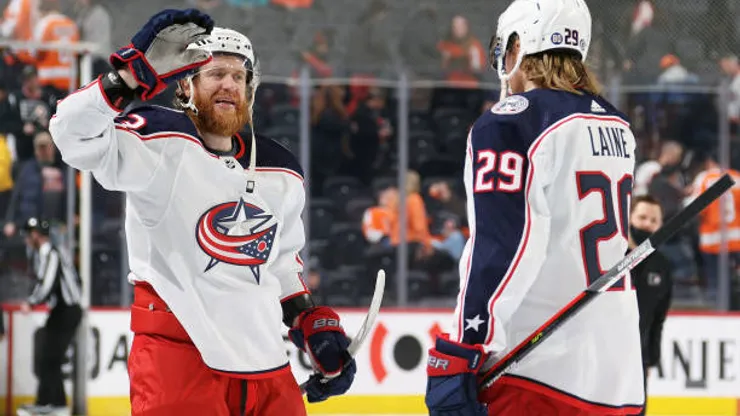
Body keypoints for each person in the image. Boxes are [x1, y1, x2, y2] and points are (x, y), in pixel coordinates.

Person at [49, 9, 355, 416]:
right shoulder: (156, 138)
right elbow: (71, 135)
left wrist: (307, 320)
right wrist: (126, 81)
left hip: (265, 363)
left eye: (238, 76)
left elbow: (281, 262)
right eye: (215, 73)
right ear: (186, 86)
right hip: (178, 357)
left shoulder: (281, 168)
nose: (229, 83)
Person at [424, 0, 644, 415]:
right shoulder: (618, 125)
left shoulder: (512, 122)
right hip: (617, 376)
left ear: (520, 44)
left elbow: (506, 241)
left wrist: (468, 341)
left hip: (534, 372)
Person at [16, 217, 82, 416]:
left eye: (28, 236)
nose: (27, 240)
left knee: (48, 358)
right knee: (50, 358)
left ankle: (49, 404)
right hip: (62, 310)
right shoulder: (50, 252)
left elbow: (48, 283)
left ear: (36, 235)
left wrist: (31, 301)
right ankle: (55, 404)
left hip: (66, 311)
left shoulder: (50, 253)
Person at [628, 196, 672, 416]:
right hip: (601, 354)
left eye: (653, 220)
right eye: (642, 217)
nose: (647, 224)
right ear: (629, 217)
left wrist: (651, 359)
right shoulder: (611, 257)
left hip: (637, 360)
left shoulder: (662, 266)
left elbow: (658, 317)